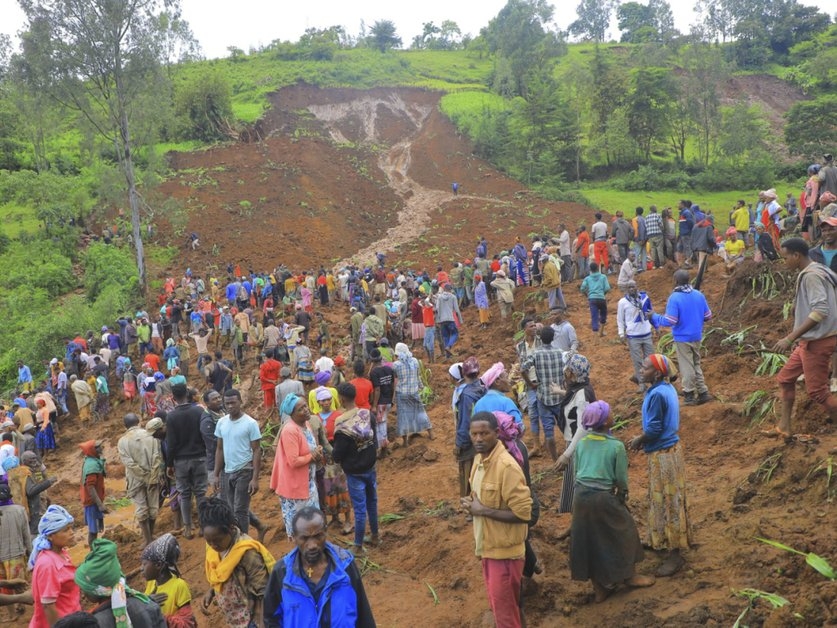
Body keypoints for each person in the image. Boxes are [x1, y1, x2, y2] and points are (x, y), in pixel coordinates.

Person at [571, 401, 654, 602]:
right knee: (624, 531)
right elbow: (621, 479)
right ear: (607, 421)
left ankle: (600, 588)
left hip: (580, 497)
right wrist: (622, 494)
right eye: (610, 413)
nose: (613, 414)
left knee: (588, 540)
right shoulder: (615, 446)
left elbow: (576, 472)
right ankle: (629, 576)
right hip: (603, 497)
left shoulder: (581, 443)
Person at [461, 412, 532, 628]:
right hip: (489, 549)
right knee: (505, 609)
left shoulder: (506, 467)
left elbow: (523, 514)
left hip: (506, 556)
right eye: (474, 434)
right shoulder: (478, 461)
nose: (479, 439)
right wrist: (472, 505)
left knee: (505, 616)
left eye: (484, 433)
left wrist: (482, 510)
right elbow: (479, 497)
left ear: (496, 434)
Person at [629, 355, 693, 577]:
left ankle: (675, 555)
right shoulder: (666, 388)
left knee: (668, 501)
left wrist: (639, 440)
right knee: (672, 498)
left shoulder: (656, 394)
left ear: (656, 374)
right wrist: (640, 379)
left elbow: (655, 429)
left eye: (645, 367)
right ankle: (664, 539)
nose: (640, 368)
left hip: (662, 453)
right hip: (671, 450)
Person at [263, 506, 375, 627]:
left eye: (318, 536)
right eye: (304, 538)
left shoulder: (345, 566)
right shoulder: (281, 572)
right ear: (294, 537)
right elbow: (271, 619)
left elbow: (363, 613)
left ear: (325, 532)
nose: (312, 545)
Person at [770, 237, 837, 438]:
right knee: (785, 378)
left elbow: (820, 311)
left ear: (796, 255)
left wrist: (790, 338)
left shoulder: (811, 276)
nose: (785, 262)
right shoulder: (819, 269)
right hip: (809, 341)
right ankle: (784, 427)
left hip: (817, 340)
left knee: (818, 393)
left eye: (786, 258)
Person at [200, 497, 275, 628]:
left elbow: (262, 589)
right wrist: (211, 591)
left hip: (250, 618)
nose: (213, 545)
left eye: (217, 540)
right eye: (209, 541)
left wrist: (261, 622)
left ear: (230, 529)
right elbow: (219, 572)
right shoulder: (213, 549)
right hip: (234, 618)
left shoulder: (247, 552)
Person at [651, 270, 712, 406]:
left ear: (676, 281)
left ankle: (689, 394)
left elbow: (670, 320)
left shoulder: (675, 297)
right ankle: (703, 392)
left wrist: (654, 317)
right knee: (696, 363)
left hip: (683, 337)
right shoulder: (698, 295)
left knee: (686, 365)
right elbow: (708, 316)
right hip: (697, 335)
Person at [74, 538, 166, 627]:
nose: (82, 591)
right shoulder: (148, 605)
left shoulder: (96, 623)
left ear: (97, 591)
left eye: (84, 587)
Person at [332, 383, 379, 553]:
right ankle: (375, 535)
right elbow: (375, 439)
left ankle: (358, 546)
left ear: (342, 399)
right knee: (372, 502)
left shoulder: (341, 422)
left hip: (354, 472)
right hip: (371, 466)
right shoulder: (367, 414)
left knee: (359, 508)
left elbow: (338, 453)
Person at [270, 394, 323, 540]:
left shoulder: (306, 424)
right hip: (295, 487)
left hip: (308, 483)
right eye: (301, 409)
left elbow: (310, 447)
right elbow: (293, 461)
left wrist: (317, 451)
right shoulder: (290, 431)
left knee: (312, 524)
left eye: (305, 406)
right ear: (292, 414)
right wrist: (312, 456)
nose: (306, 410)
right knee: (301, 529)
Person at [554, 354, 597, 526]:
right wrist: (559, 391)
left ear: (572, 373)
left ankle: (581, 528)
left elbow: (584, 427)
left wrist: (567, 454)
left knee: (578, 490)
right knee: (575, 490)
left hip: (578, 447)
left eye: (567, 370)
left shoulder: (582, 394)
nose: (565, 372)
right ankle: (577, 526)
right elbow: (575, 399)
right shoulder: (581, 388)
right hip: (575, 445)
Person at [213, 389, 262, 535]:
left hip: (245, 470)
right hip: (227, 472)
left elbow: (257, 450)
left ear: (240, 402)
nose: (230, 406)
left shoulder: (250, 423)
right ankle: (242, 535)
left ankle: (243, 541)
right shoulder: (221, 423)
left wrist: (255, 478)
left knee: (240, 510)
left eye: (233, 403)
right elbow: (219, 449)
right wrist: (216, 474)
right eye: (227, 403)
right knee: (230, 508)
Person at [165, 383, 208, 539]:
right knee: (201, 493)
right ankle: (203, 526)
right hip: (200, 457)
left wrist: (169, 464)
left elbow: (171, 444)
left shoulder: (171, 416)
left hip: (181, 461)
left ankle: (188, 528)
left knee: (184, 494)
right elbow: (204, 434)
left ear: (173, 398)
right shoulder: (198, 411)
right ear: (187, 393)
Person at [29, 505, 82, 626]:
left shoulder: (62, 553)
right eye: (65, 530)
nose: (72, 532)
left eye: (71, 528)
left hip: (71, 619)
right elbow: (48, 606)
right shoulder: (48, 564)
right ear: (50, 536)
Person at [117, 413, 162, 546]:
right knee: (153, 506)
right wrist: (151, 477)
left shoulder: (122, 441)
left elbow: (128, 463)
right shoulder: (150, 436)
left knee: (141, 508)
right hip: (152, 477)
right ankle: (151, 534)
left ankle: (147, 539)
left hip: (135, 479)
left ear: (125, 426)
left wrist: (141, 474)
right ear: (139, 421)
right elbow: (156, 457)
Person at [521, 326, 565, 462]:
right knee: (565, 427)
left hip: (543, 396)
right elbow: (568, 368)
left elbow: (523, 369)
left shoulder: (536, 353)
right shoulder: (560, 352)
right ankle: (571, 453)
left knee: (548, 431)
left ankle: (555, 460)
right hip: (559, 395)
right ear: (553, 338)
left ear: (541, 338)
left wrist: (531, 384)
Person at [141, 533, 197, 626]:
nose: (141, 568)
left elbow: (188, 622)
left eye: (144, 564)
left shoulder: (179, 586)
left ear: (158, 565)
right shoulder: (152, 583)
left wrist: (157, 615)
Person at [454, 358, 485, 501]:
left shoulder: (466, 395)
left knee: (467, 473)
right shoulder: (484, 388)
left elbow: (464, 421)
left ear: (464, 374)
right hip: (486, 435)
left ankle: (469, 505)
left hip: (470, 438)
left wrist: (460, 443)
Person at [392, 343, 434, 446]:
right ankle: (431, 434)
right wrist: (421, 387)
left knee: (403, 417)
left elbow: (395, 380)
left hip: (402, 394)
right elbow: (418, 376)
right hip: (413, 392)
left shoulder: (396, 365)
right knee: (420, 412)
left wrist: (392, 397)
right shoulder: (415, 361)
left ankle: (405, 442)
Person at [617, 281, 655, 392]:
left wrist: (655, 325)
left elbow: (651, 310)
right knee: (637, 361)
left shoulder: (644, 298)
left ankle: (652, 381)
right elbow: (620, 319)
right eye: (629, 287)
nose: (631, 289)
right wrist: (621, 333)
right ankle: (642, 384)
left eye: (633, 286)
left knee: (650, 360)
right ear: (626, 289)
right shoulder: (623, 302)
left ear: (637, 286)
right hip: (633, 336)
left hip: (647, 333)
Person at [0, 483, 30, 621]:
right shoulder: (19, 510)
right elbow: (26, 534)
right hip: (16, 554)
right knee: (19, 583)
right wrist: (30, 551)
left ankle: (12, 614)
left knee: (4, 587)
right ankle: (22, 606)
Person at [515, 318, 543, 456]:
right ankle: (537, 446)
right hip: (530, 383)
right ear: (524, 329)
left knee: (549, 412)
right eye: (531, 326)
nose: (534, 327)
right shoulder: (520, 346)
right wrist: (529, 383)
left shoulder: (542, 340)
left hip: (543, 381)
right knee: (533, 414)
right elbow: (521, 366)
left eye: (534, 325)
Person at [79, 440, 107, 547]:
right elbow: (90, 487)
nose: (102, 448)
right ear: (92, 450)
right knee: (93, 530)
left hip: (93, 500)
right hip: (92, 502)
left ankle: (93, 549)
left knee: (94, 528)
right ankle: (92, 552)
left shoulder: (92, 460)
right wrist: (100, 505)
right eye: (98, 447)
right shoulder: (91, 466)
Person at [368, 349, 395, 456]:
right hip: (388, 400)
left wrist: (374, 405)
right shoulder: (389, 369)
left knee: (380, 424)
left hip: (380, 403)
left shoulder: (374, 372)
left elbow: (377, 389)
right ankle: (383, 446)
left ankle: (382, 448)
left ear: (372, 361)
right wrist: (392, 400)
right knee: (383, 422)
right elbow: (393, 384)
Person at [579, 262, 611, 336]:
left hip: (592, 299)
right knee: (603, 314)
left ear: (590, 270)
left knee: (594, 316)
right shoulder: (603, 277)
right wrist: (603, 294)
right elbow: (607, 288)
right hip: (601, 298)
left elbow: (582, 289)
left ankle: (595, 338)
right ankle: (601, 332)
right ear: (597, 268)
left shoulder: (587, 278)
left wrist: (587, 295)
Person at [435, 284, 462, 358]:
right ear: (450, 290)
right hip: (450, 319)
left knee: (445, 337)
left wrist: (438, 320)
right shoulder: (453, 297)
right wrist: (460, 320)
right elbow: (456, 310)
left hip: (442, 321)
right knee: (455, 334)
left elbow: (437, 309)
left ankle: (448, 356)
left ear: (444, 289)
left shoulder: (439, 297)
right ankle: (449, 347)